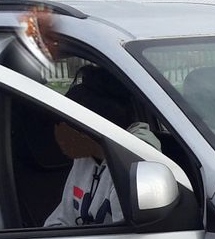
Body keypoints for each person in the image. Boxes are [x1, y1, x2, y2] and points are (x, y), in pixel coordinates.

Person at [44, 65, 159, 228]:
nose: (60, 137)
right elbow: (62, 219)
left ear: (92, 131)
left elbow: (126, 237)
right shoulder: (85, 158)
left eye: (67, 129)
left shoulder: (135, 160)